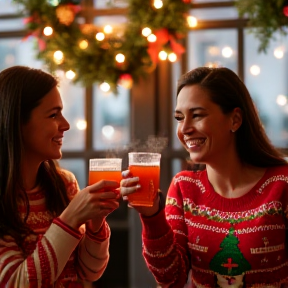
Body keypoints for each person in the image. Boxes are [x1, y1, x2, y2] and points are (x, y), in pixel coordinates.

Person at [120, 67, 288, 287]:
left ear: (235, 120)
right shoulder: (183, 187)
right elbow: (171, 278)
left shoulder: (281, 184)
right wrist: (152, 215)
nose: (185, 129)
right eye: (179, 118)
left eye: (197, 115)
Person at [0, 66, 120, 287]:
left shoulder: (64, 183)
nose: (65, 125)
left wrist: (95, 222)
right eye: (53, 115)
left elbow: (89, 272)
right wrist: (70, 219)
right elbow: (15, 283)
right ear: (17, 123)